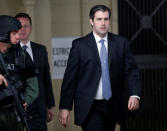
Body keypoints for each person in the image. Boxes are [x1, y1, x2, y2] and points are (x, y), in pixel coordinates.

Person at [59, 4, 142, 131]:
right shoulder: (79, 46)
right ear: (91, 21)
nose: (103, 23)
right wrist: (65, 107)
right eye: (99, 19)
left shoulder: (121, 43)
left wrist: (134, 94)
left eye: (106, 19)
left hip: (113, 105)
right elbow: (70, 78)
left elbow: (131, 71)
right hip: (90, 106)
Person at [15, 13, 55, 131]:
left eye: (26, 26)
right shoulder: (9, 50)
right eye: (19, 26)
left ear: (31, 28)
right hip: (19, 105)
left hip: (39, 105)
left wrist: (50, 105)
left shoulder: (40, 49)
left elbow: (46, 78)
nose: (22, 29)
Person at [0, 15, 38, 131]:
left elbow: (33, 85)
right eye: (14, 32)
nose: (19, 35)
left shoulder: (21, 55)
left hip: (14, 113)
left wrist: (25, 100)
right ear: (4, 33)